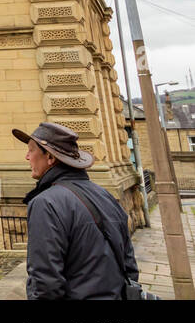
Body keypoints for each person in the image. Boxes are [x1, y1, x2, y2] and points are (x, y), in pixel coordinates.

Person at [15, 122, 139, 300]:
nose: (27, 157)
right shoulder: (104, 194)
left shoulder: (45, 203)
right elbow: (129, 266)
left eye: (31, 150)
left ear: (49, 157)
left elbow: (45, 282)